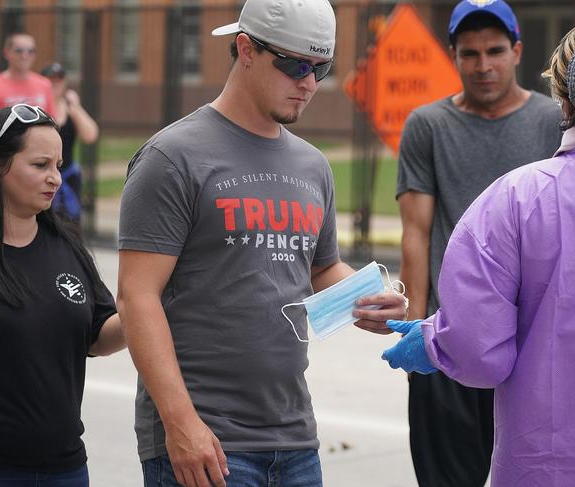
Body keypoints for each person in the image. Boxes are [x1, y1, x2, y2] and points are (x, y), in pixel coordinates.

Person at [116, 0, 407, 485]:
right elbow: (136, 297)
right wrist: (181, 423)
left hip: (293, 438)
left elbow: (319, 269)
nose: (309, 84)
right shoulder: (172, 157)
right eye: (295, 65)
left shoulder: (312, 165)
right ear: (246, 49)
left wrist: (372, 299)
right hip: (206, 439)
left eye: (321, 68)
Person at [384, 13, 575, 486]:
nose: (483, 64)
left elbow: (479, 353)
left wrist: (433, 341)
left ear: (566, 96)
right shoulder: (433, 127)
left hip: (553, 467)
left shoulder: (521, 196)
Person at [395, 1, 562, 486]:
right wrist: (417, 328)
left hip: (534, 344)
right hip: (452, 337)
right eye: (470, 53)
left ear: (517, 51)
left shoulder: (554, 121)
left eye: (494, 51)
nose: (483, 65)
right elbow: (416, 233)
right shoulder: (427, 125)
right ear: (453, 55)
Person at [0, 104, 125, 486]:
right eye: (40, 164)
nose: (55, 178)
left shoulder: (67, 244)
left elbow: (98, 334)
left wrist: (148, 307)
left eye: (58, 166)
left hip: (67, 469)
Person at [41, 62, 99, 224]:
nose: (55, 83)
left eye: (59, 79)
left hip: (68, 175)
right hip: (43, 175)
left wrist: (75, 106)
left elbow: (90, 135)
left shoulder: (70, 106)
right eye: (50, 79)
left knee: (70, 224)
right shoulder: (36, 107)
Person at [0, 32, 56, 123]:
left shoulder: (45, 84)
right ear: (6, 53)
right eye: (19, 51)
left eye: (30, 51)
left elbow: (52, 120)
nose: (24, 56)